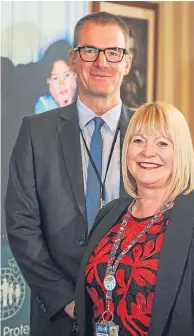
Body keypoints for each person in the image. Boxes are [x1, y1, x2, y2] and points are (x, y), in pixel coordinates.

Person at [5, 11, 134, 336]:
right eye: (90, 51)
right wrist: (66, 299)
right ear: (74, 60)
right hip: (59, 318)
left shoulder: (151, 133)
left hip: (136, 312)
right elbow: (21, 225)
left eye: (112, 52)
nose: (101, 62)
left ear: (127, 63)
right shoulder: (36, 132)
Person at [74, 102, 194, 335]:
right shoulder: (110, 214)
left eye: (162, 143)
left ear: (180, 153)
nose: (147, 152)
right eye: (138, 140)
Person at [34, 40, 78, 114]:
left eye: (67, 75)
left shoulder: (87, 101)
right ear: (49, 81)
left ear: (75, 75)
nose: (62, 83)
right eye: (55, 78)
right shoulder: (44, 106)